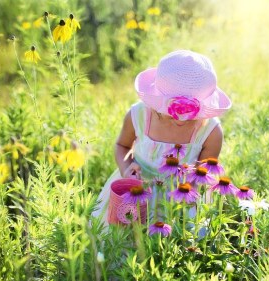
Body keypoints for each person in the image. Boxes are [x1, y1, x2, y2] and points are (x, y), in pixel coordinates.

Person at [92, 49, 232, 225]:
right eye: (173, 112)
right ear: (157, 100)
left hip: (180, 199)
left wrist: (186, 197)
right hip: (137, 189)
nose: (181, 118)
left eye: (190, 114)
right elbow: (122, 146)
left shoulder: (210, 131)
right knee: (125, 240)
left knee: (177, 244)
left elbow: (202, 175)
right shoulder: (139, 116)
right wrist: (126, 169)